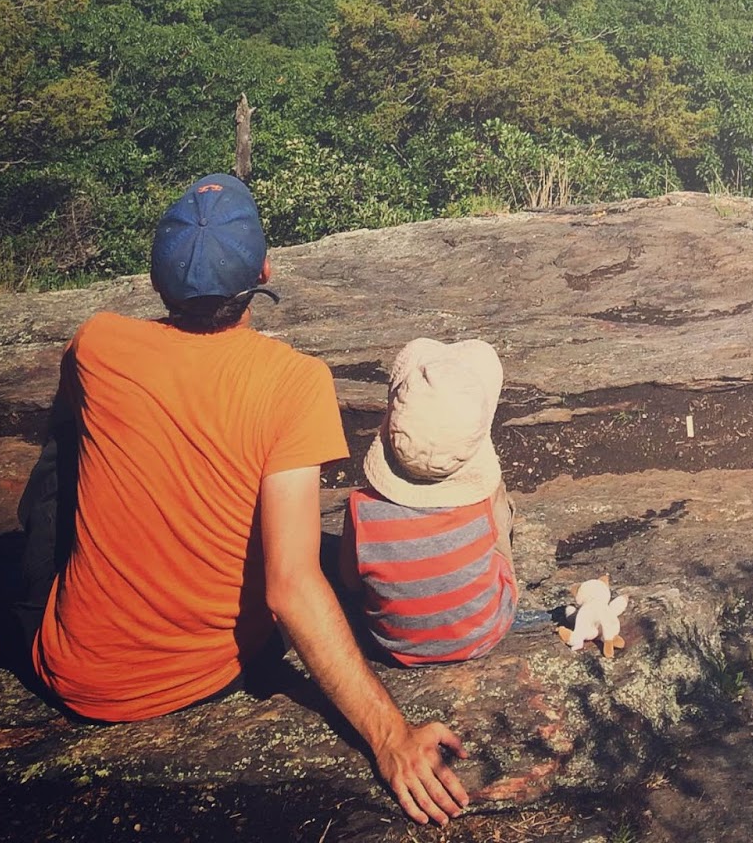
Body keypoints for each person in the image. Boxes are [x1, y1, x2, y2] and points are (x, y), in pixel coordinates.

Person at [27, 174, 470, 826]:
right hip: (202, 675)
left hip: (68, 665)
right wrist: (390, 736)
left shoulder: (96, 343)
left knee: (66, 441)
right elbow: (290, 587)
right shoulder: (293, 383)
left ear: (156, 280)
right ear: (262, 272)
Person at [340, 339, 518, 665]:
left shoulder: (360, 507)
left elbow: (350, 582)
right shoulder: (479, 500)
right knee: (496, 514)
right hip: (484, 633)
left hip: (391, 644)